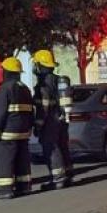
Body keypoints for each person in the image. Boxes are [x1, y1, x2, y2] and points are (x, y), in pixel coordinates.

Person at [0, 57, 34, 199]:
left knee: (5, 160)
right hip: (22, 132)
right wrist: (29, 128)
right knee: (22, 159)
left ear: (7, 72)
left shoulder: (5, 89)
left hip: (7, 133)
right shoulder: (25, 88)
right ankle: (24, 186)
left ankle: (5, 189)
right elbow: (31, 111)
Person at [31, 49, 72, 189]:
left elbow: (43, 107)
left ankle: (58, 179)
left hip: (49, 122)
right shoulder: (56, 80)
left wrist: (38, 125)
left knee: (51, 149)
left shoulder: (43, 84)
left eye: (36, 64)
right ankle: (67, 175)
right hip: (59, 120)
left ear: (40, 66)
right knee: (62, 146)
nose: (34, 67)